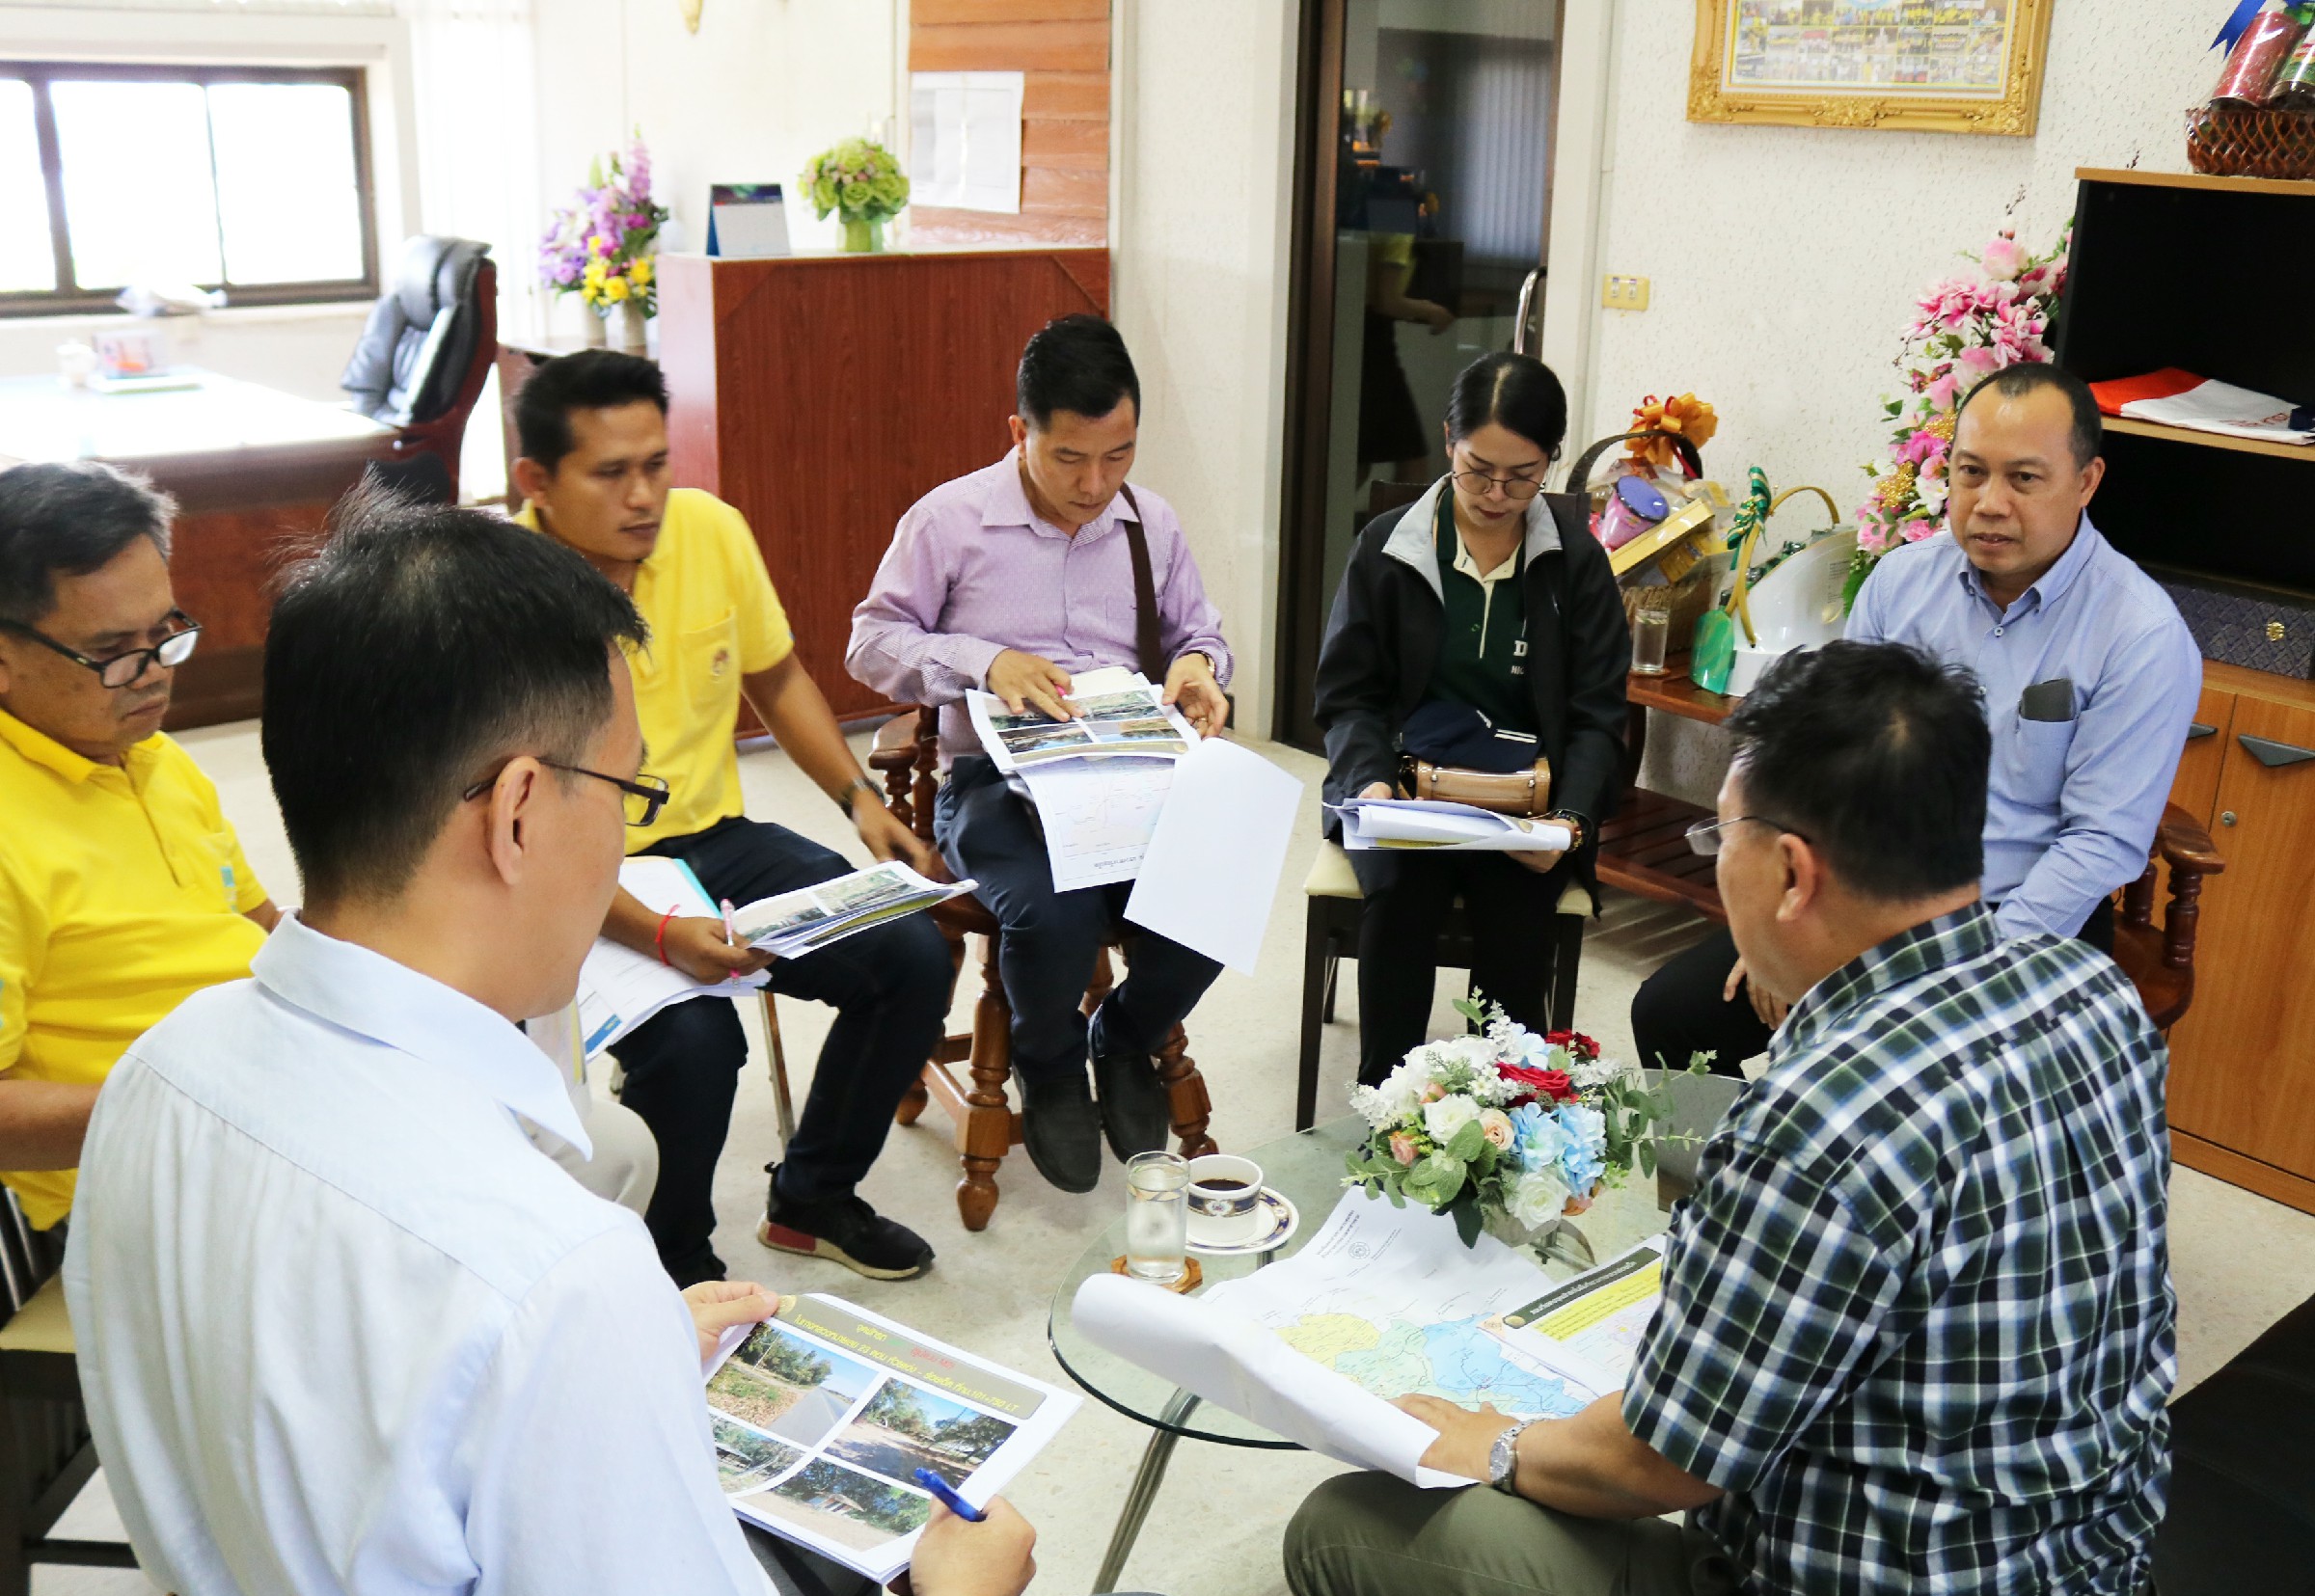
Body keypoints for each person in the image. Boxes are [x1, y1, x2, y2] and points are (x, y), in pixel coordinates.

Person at [66, 496, 1241, 1596]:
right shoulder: (550, 1277)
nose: (626, 832)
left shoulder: (160, 1073)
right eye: (626, 792)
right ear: (520, 812)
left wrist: (610, 1374)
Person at [1286, 639, 2172, 1596]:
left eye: (1722, 837)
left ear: (1793, 872)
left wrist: (1496, 1446)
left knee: (1346, 1539)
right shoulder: (2086, 989)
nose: (1718, 866)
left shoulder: (1822, 1118)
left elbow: (1662, 1463)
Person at [511, 350, 955, 1285]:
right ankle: (673, 1268)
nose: (645, 496)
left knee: (910, 955)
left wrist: (859, 800)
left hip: (712, 843)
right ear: (536, 483)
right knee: (695, 1044)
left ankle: (814, 1196)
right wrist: (659, 933)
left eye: (656, 464)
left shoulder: (710, 530)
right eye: (611, 473)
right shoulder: (498, 597)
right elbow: (517, 838)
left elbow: (776, 677)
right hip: (568, 876)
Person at [1632, 361, 2200, 1075]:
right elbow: (1834, 754)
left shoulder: (2141, 635)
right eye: (1971, 473)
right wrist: (1781, 923)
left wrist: (1960, 977)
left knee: (1889, 1076)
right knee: (1672, 1016)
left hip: (2025, 918)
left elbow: (2100, 842)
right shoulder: (1901, 581)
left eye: (2024, 479)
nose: (1990, 504)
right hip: (1870, 888)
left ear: (2086, 481)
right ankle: (1741, 1153)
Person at [847, 314, 1234, 1192]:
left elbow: (1198, 633)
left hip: (1129, 768)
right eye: (1070, 459)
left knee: (1213, 897)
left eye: (1118, 456)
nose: (1096, 484)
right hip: (996, 779)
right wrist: (983, 660)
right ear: (1019, 431)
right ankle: (1050, 1060)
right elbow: (869, 646)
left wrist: (1199, 667)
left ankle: (1123, 1038)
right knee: (1052, 911)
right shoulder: (949, 522)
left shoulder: (1149, 522)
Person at [1312, 352, 1629, 1086]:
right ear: (1449, 439)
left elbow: (1598, 714)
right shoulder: (1389, 548)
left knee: (1517, 918)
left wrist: (1570, 823)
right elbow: (1348, 695)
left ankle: (1504, 1114)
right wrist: (1369, 782)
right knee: (1399, 899)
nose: (1495, 494)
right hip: (1405, 788)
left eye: (1522, 476)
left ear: (1551, 461)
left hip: (1523, 804)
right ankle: (1389, 1107)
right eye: (1476, 470)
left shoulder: (1577, 564)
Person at [0, 461, 280, 1242]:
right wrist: (189, 1107)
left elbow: (259, 926)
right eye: (112, 651)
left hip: (261, 1121)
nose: (154, 673)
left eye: (164, 632)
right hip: (138, 1196)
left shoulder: (153, 756)